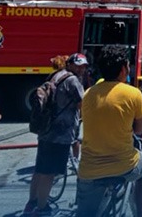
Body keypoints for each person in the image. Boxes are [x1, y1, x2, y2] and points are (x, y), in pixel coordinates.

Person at [76, 45, 142, 217]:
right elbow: (139, 129)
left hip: (89, 168)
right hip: (124, 164)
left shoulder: (88, 94)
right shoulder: (133, 94)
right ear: (123, 69)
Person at [26, 54, 87, 216]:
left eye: (83, 66)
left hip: (45, 129)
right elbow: (82, 104)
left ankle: (32, 202)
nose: (81, 69)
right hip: (61, 132)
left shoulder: (55, 75)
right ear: (70, 64)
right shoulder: (73, 80)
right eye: (78, 65)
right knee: (49, 173)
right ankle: (42, 208)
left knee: (40, 169)